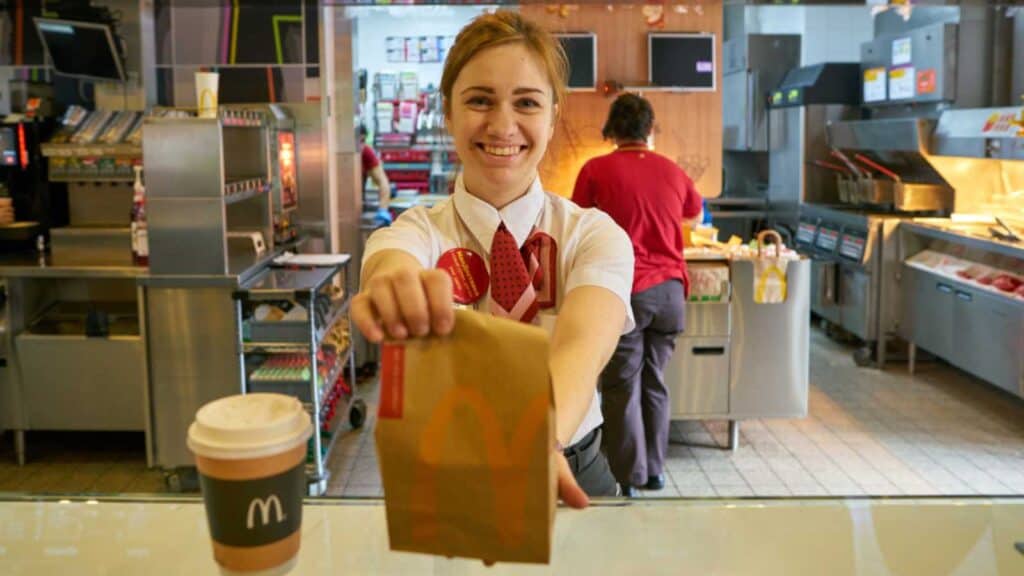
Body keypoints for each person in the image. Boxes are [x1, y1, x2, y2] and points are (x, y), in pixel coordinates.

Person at [351, 11, 635, 507]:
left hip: (569, 464)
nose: (502, 125)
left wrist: (537, 440)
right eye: (479, 100)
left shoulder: (593, 235)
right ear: (448, 114)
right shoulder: (417, 231)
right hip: (449, 470)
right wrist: (393, 289)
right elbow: (392, 263)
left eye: (526, 102)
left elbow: (584, 343)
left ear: (552, 116)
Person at [571, 93, 703, 497]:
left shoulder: (596, 169)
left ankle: (629, 476)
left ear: (613, 128)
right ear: (649, 129)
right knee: (655, 381)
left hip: (626, 291)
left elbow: (577, 223)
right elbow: (694, 215)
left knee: (621, 384)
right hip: (670, 293)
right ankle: (655, 471)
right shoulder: (673, 171)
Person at [360, 125, 393, 225]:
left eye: (363, 141)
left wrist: (383, 209)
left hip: (357, 209)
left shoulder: (366, 152)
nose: (361, 145)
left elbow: (382, 181)